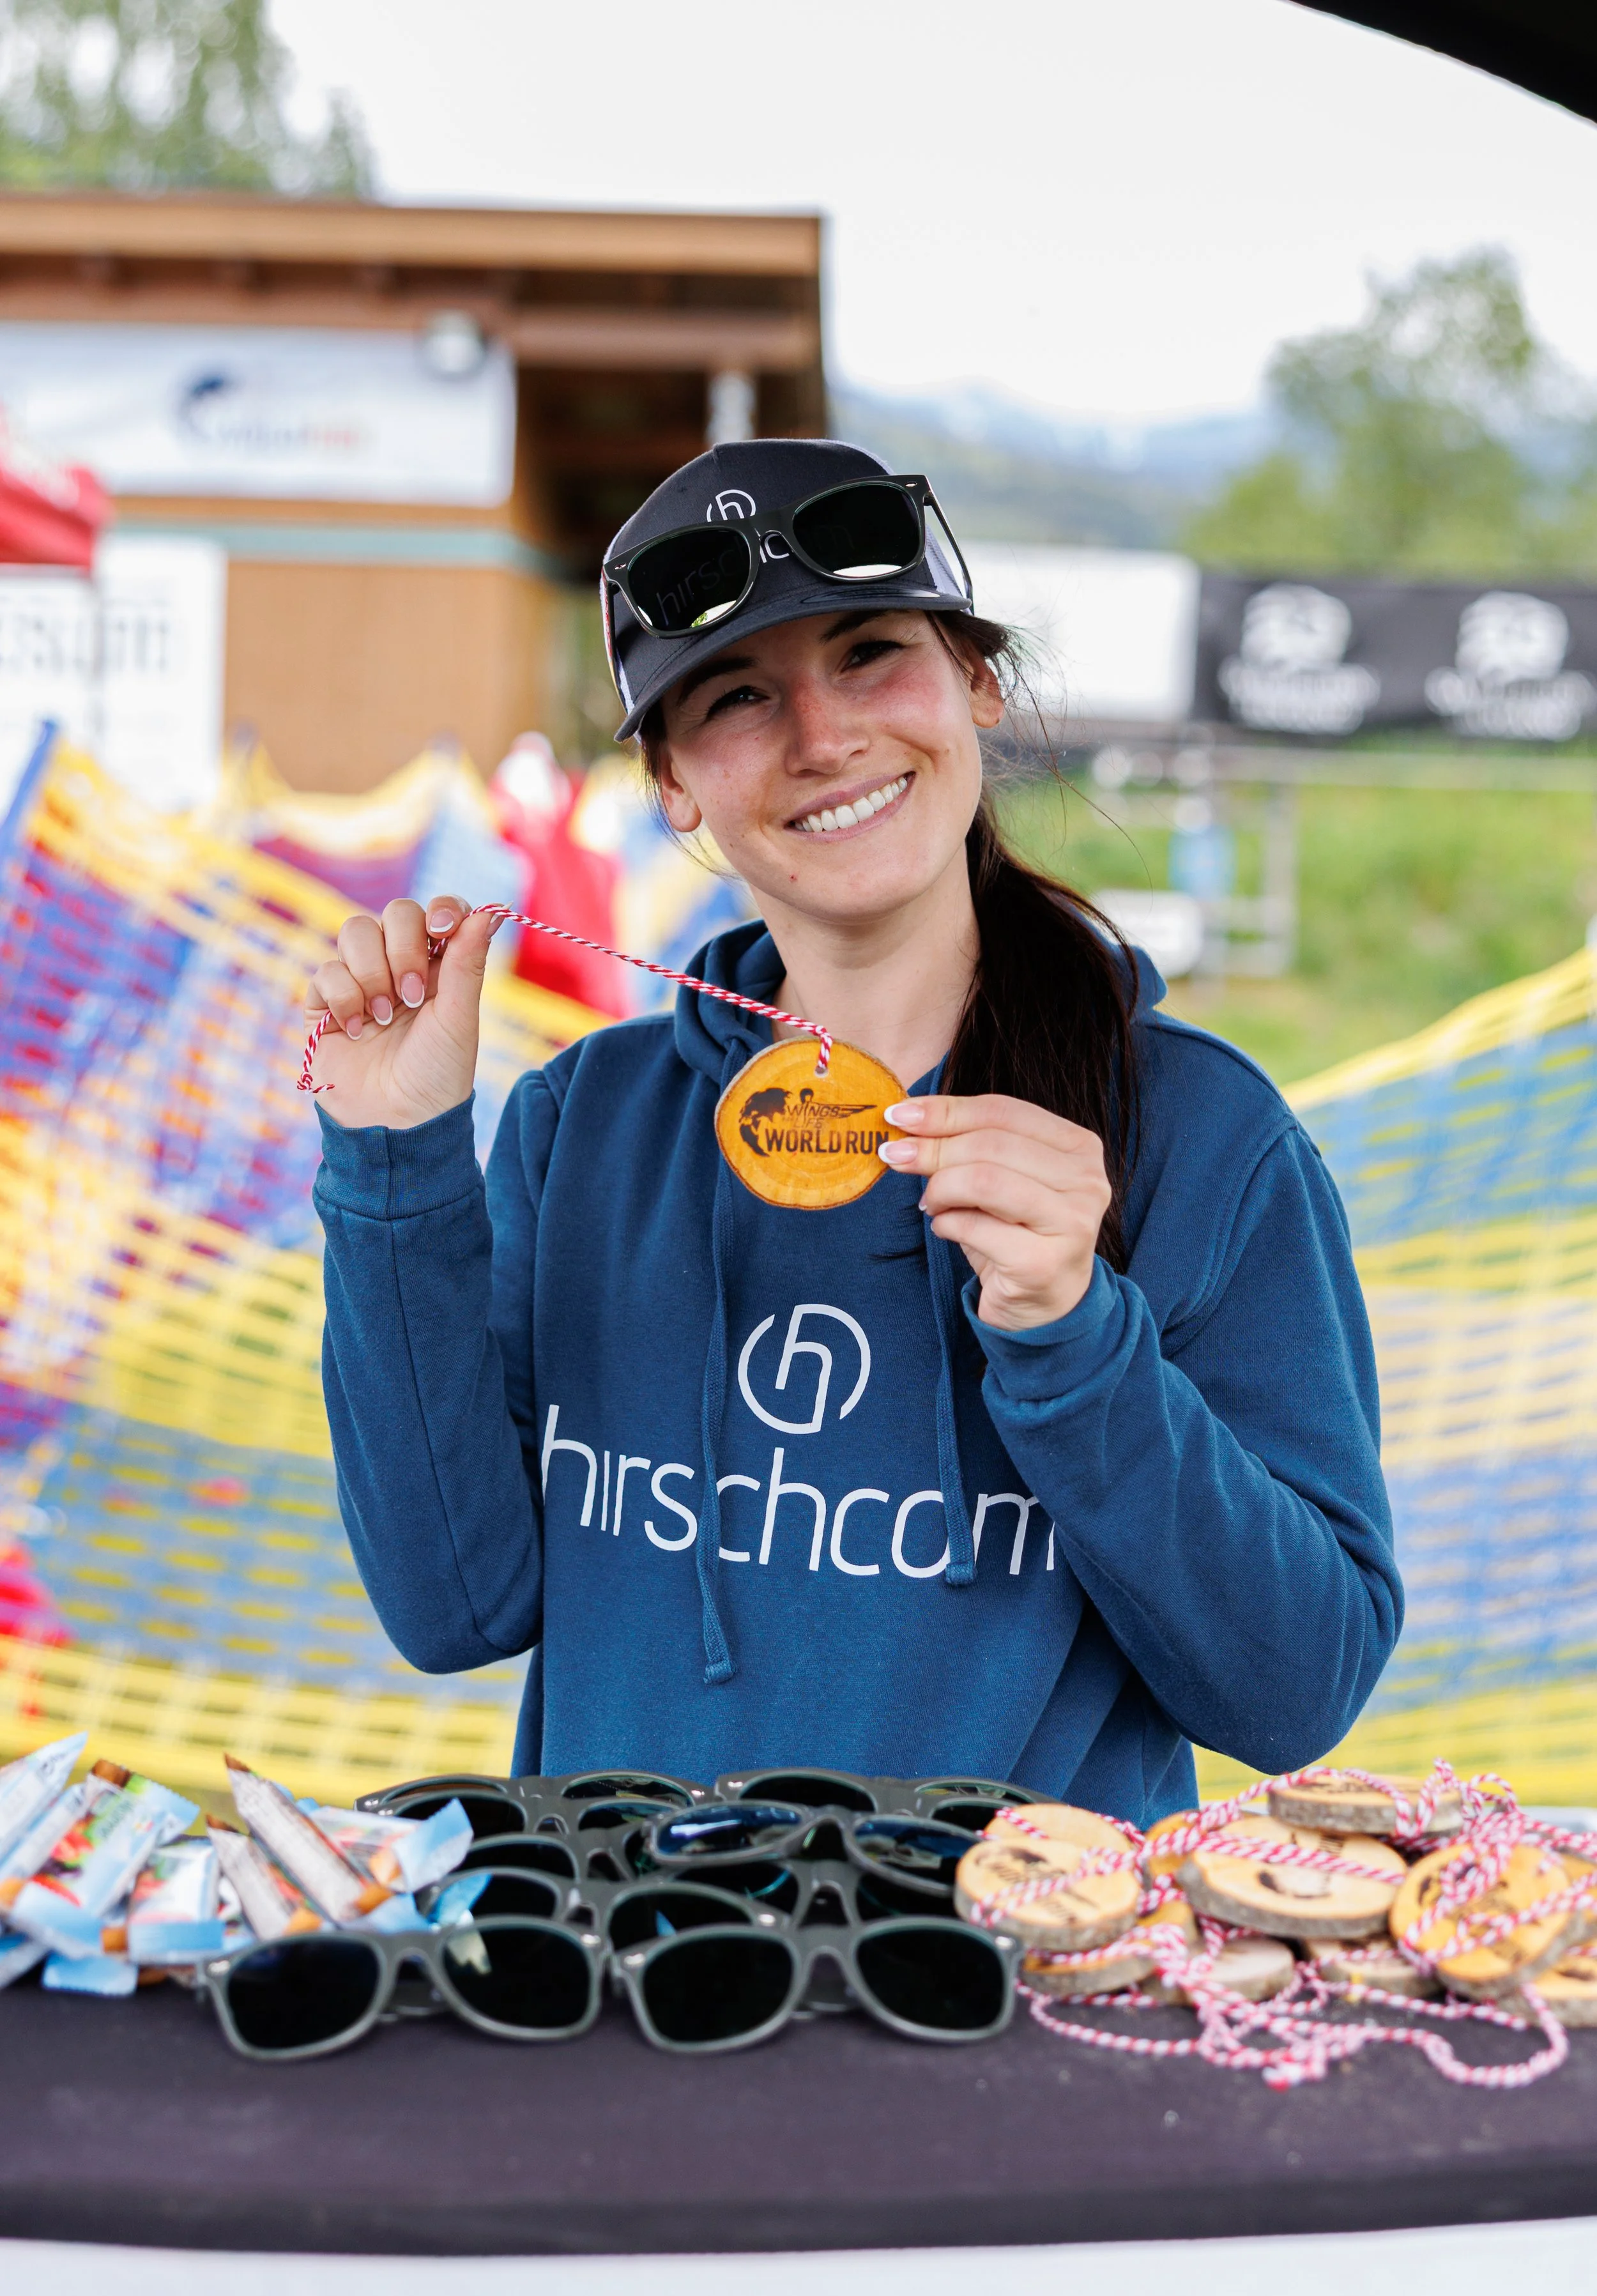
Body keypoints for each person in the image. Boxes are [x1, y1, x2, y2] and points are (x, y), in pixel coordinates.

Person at [307, 439, 1400, 1823]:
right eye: (739, 696)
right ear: (673, 789)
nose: (823, 739)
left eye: (871, 653)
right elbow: (452, 1605)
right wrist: (394, 1164)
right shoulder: (580, 1127)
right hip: (627, 1992)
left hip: (1020, 1997)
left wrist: (1075, 1335)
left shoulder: (1196, 1134)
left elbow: (1294, 1693)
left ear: (977, 683)